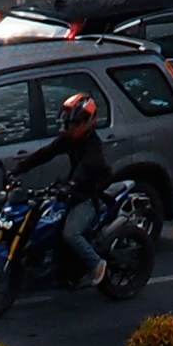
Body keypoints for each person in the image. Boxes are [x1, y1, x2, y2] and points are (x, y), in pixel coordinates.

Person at [8, 82, 119, 287]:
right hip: (73, 192)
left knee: (71, 233)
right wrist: (18, 169)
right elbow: (45, 153)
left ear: (87, 123)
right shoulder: (69, 139)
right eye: (68, 123)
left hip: (90, 196)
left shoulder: (93, 147)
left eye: (74, 124)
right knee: (43, 221)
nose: (70, 128)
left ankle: (96, 264)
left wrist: (73, 183)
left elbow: (85, 169)